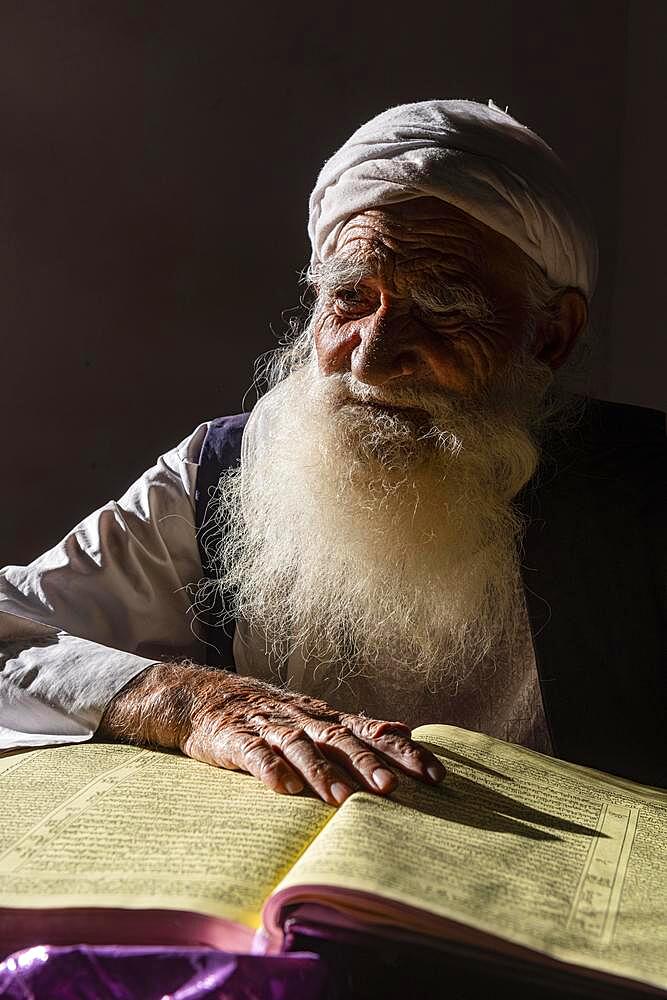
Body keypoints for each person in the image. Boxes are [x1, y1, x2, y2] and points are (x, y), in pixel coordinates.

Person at [1, 100, 664, 802]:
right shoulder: (224, 471)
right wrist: (185, 701)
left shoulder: (645, 488)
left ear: (548, 336)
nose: (374, 360)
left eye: (442, 308)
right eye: (350, 298)